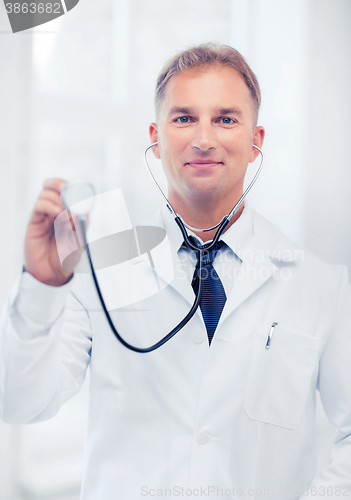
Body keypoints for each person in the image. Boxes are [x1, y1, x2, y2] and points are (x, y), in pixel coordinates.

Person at [0, 43, 351, 500]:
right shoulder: (101, 262)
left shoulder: (321, 285)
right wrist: (44, 286)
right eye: (183, 118)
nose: (203, 138)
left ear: (255, 141)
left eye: (225, 119)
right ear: (156, 136)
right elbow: (22, 402)